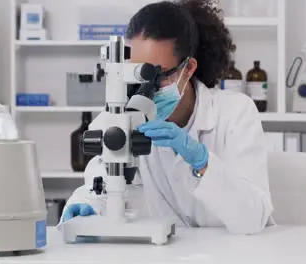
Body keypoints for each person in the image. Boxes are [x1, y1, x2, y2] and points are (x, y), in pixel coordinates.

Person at [60, 0, 273, 235]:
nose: (145, 89)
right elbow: (99, 187)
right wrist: (85, 206)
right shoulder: (120, 118)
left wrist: (202, 163)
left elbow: (253, 219)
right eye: (137, 75)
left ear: (188, 68)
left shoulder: (235, 112)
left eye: (157, 76)